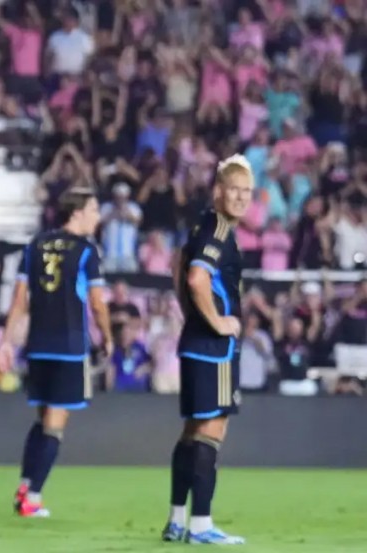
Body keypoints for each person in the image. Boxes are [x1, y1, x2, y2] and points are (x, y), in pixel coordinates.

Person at [0, 187, 113, 518]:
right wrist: (108, 336)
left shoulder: (35, 246)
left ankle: (25, 485)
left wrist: (7, 342)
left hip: (39, 347)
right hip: (70, 347)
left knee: (42, 417)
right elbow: (98, 302)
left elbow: (20, 300)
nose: (97, 216)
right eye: (93, 209)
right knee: (55, 425)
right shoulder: (86, 251)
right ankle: (32, 496)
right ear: (75, 213)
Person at [162, 155, 252, 545]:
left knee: (191, 433)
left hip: (195, 343)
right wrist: (216, 322)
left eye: (246, 191)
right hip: (213, 348)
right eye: (234, 189)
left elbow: (177, 265)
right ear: (218, 190)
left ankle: (177, 520)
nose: (240, 198)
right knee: (211, 432)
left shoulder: (203, 223)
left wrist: (190, 314)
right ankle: (201, 525)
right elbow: (197, 277)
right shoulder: (217, 228)